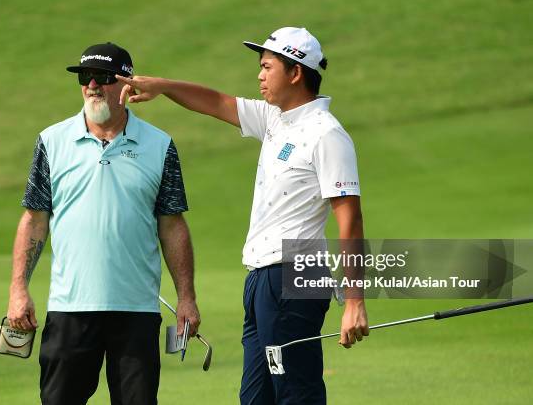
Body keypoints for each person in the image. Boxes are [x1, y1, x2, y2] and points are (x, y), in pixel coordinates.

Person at [117, 27, 370, 404]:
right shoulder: (275, 119)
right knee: (255, 397)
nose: (260, 75)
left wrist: (354, 300)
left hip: (294, 276)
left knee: (294, 393)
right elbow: (217, 102)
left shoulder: (325, 134)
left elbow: (350, 219)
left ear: (296, 72)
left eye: (267, 67)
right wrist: (164, 86)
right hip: (262, 281)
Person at [7, 42, 200, 405]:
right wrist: (19, 290)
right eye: (85, 76)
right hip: (70, 309)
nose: (92, 85)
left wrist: (186, 297)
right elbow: (34, 220)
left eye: (103, 77)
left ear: (127, 84)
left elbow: (172, 225)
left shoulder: (159, 145)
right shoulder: (52, 140)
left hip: (136, 311)